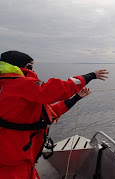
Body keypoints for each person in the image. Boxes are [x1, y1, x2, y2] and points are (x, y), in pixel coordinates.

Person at [0, 51, 109, 179]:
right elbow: (56, 90)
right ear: (20, 66)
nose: (33, 70)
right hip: (13, 159)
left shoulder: (7, 86)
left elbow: (48, 113)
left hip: (15, 156)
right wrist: (90, 76)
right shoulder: (19, 84)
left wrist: (76, 98)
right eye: (30, 66)